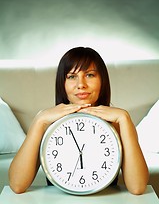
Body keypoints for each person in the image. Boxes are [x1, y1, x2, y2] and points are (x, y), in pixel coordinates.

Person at [9, 47, 149, 194]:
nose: (81, 84)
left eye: (89, 75)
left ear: (102, 81)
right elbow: (17, 185)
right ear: (62, 83)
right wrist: (39, 120)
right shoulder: (47, 123)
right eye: (71, 77)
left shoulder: (118, 123)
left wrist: (124, 118)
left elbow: (137, 187)